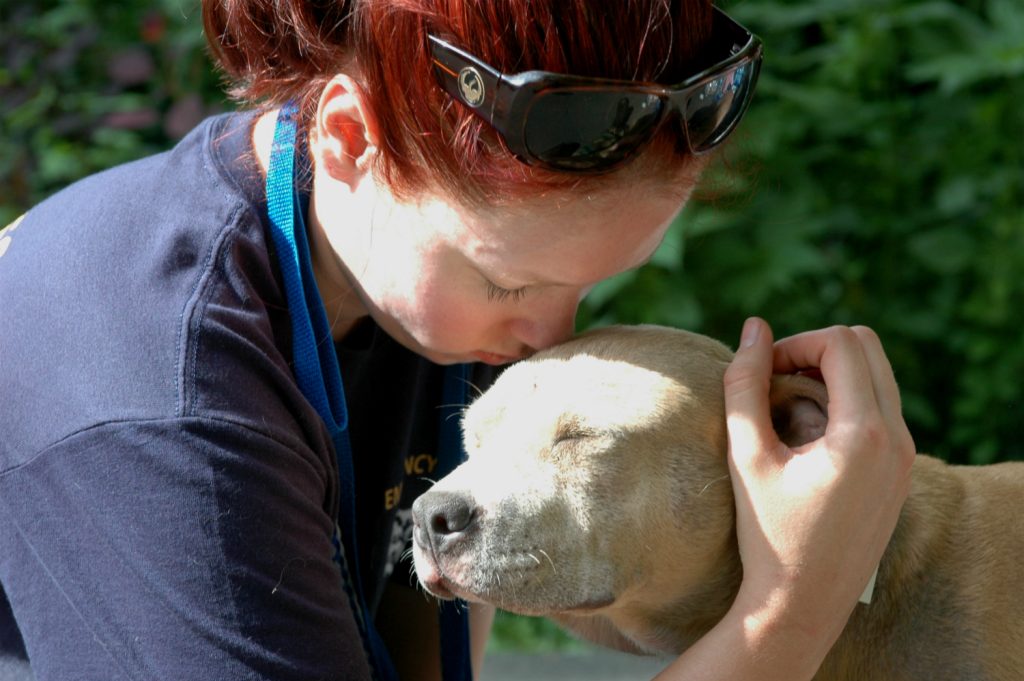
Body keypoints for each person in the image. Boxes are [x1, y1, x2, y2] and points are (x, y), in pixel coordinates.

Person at [0, 0, 915, 679]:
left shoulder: (377, 260)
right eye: (510, 283)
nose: (545, 341)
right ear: (351, 137)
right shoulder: (162, 402)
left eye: (593, 286)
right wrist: (791, 610)